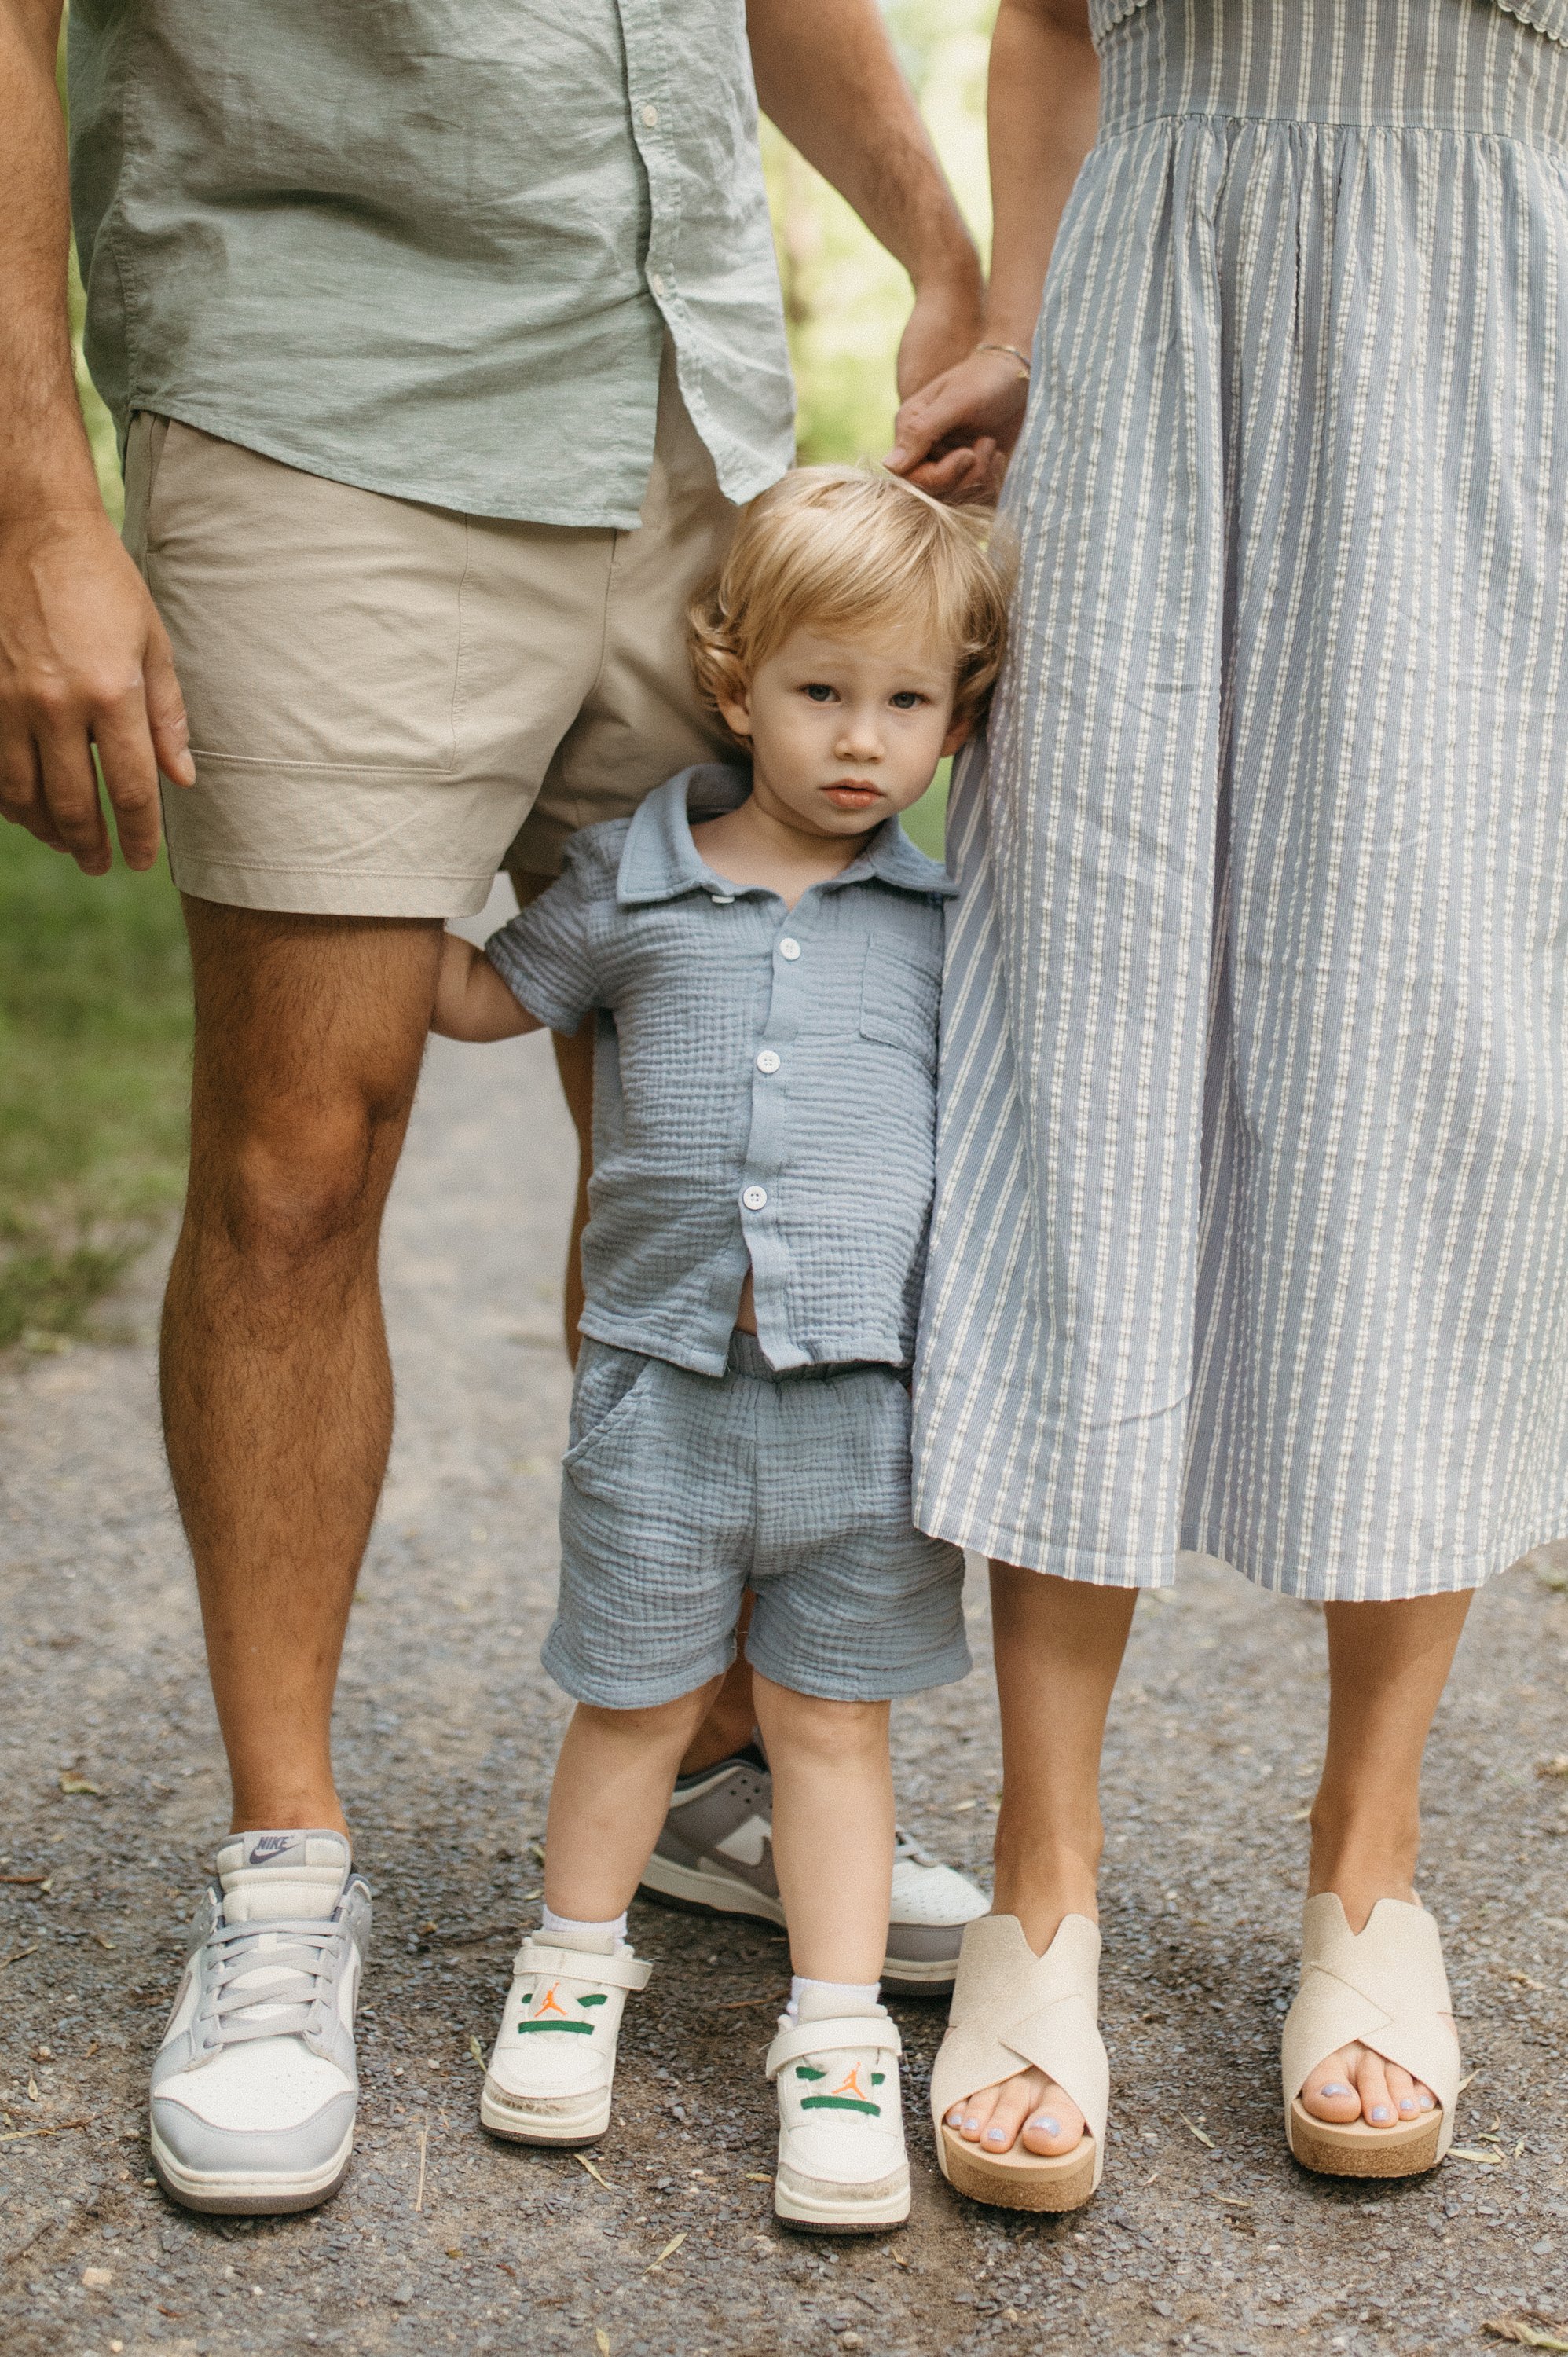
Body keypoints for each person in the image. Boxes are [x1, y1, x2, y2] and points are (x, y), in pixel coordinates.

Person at [0, 0, 994, 2216]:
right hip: (327, 407)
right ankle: (283, 1879)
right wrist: (33, 493)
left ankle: (717, 1765)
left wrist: (938, 243)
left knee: (705, 1098)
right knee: (299, 1154)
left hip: (689, 418)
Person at [888, 0, 1568, 2207]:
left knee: (1431, 1077)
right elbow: (1050, 25)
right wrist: (1014, 317)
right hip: (1147, 362)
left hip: (1500, 360)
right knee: (1079, 1054)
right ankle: (1041, 1877)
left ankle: (1364, 1873)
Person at [428, 467, 1012, 2233]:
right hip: (661, 1395)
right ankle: (570, 1968)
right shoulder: (629, 886)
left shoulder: (946, 931)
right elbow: (476, 998)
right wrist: (375, 879)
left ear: (955, 719)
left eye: (906, 702)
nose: (860, 740)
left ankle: (833, 2038)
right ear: (730, 675)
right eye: (822, 691)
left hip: (860, 1415)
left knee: (831, 1727)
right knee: (634, 1702)